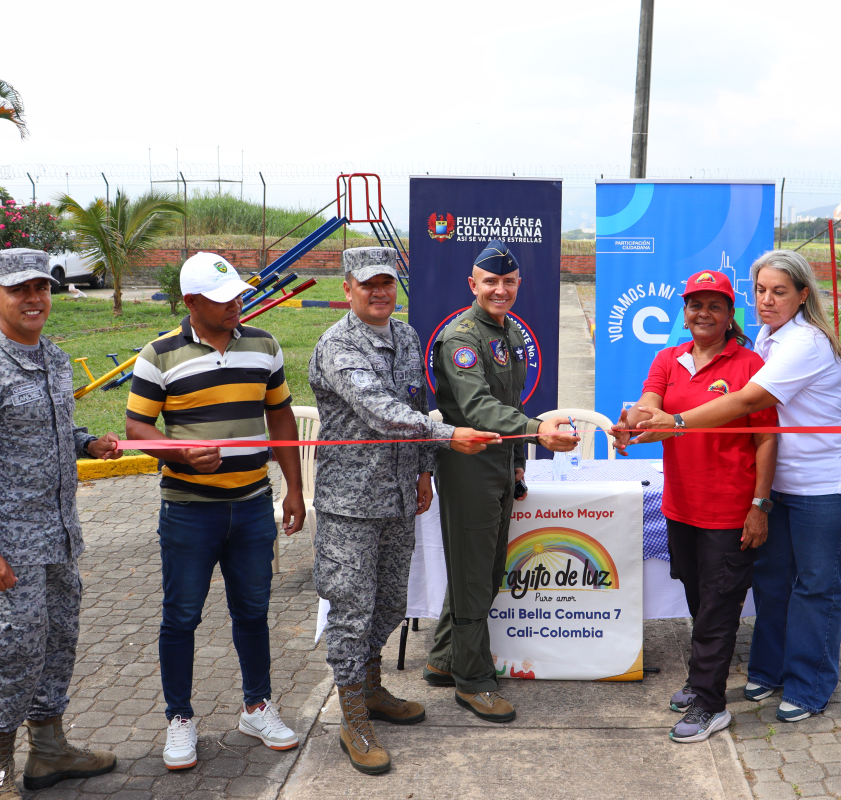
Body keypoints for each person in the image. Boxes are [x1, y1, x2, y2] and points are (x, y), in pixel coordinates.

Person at [621, 250, 841, 723]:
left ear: (802, 295)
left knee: (816, 587)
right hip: (778, 485)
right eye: (761, 291)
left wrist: (673, 421)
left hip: (822, 483)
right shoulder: (766, 338)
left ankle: (809, 685)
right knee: (772, 583)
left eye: (779, 291)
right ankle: (770, 670)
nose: (768, 300)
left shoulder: (805, 342)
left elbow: (748, 401)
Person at [0, 248, 122, 800]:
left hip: (59, 538)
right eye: (20, 290)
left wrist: (86, 441)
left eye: (42, 288)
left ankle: (50, 749)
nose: (35, 299)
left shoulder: (53, 357)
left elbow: (52, 423)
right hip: (7, 548)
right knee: (14, 654)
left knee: (59, 644)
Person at [308, 247, 501, 774]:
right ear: (347, 288)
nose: (379, 293)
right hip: (351, 505)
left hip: (397, 497)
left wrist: (422, 470)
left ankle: (371, 689)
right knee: (351, 611)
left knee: (392, 603)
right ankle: (352, 716)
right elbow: (381, 411)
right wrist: (447, 435)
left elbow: (415, 404)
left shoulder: (408, 337)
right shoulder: (338, 345)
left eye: (387, 283)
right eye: (368, 284)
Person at [125, 252, 308, 770]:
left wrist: (291, 489)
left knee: (252, 613)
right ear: (190, 303)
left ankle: (257, 706)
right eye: (223, 299)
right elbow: (138, 427)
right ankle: (179, 718)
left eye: (239, 296)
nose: (236, 305)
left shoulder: (263, 345)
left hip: (252, 507)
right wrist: (178, 452)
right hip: (188, 512)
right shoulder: (158, 355)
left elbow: (281, 417)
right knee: (181, 617)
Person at [612, 269, 778, 744]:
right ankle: (701, 679)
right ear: (684, 313)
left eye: (714, 305)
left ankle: (710, 703)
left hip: (730, 510)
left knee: (719, 610)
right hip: (681, 506)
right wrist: (630, 424)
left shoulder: (749, 366)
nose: (703, 313)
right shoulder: (668, 358)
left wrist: (759, 504)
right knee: (698, 597)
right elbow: (649, 407)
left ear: (730, 315)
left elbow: (767, 438)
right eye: (695, 305)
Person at [424, 240, 579, 723]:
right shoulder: (461, 338)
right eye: (491, 282)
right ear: (473, 285)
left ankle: (444, 658)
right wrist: (538, 431)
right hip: (468, 468)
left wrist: (517, 462)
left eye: (509, 282)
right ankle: (473, 681)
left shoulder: (508, 331)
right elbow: (478, 410)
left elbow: (508, 400)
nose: (501, 289)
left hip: (497, 466)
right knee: (475, 578)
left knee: (485, 571)